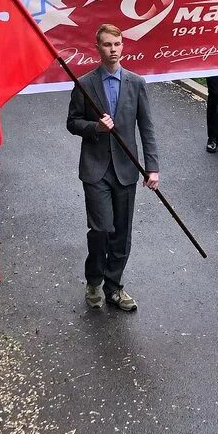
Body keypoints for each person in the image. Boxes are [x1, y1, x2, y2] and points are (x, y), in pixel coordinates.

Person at [65, 24, 159, 312]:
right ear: (98, 47)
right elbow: (72, 123)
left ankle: (114, 286)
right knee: (101, 228)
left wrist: (152, 168)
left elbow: (147, 128)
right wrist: (95, 127)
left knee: (122, 232)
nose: (113, 49)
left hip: (126, 168)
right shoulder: (84, 83)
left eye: (117, 44)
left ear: (123, 45)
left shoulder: (136, 83)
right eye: (107, 44)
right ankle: (94, 280)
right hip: (95, 169)